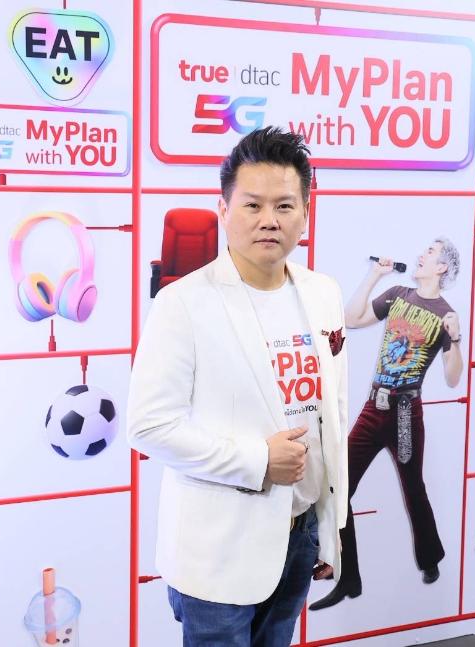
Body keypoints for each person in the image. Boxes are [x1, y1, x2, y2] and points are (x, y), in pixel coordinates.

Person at [127, 126, 349, 646]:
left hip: (299, 534)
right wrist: (257, 460)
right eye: (252, 205)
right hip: (217, 551)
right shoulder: (182, 304)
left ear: (305, 214)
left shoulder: (323, 293)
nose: (269, 219)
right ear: (224, 210)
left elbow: (331, 415)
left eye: (285, 206)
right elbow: (148, 427)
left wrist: (329, 527)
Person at [309, 240, 463, 611]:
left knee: (413, 489)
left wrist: (456, 338)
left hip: (406, 414)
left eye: (430, 253)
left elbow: (453, 377)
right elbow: (351, 318)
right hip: (374, 407)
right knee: (338, 487)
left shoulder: (445, 315)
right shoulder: (397, 295)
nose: (422, 255)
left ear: (442, 267)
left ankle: (430, 559)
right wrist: (374, 276)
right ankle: (349, 578)